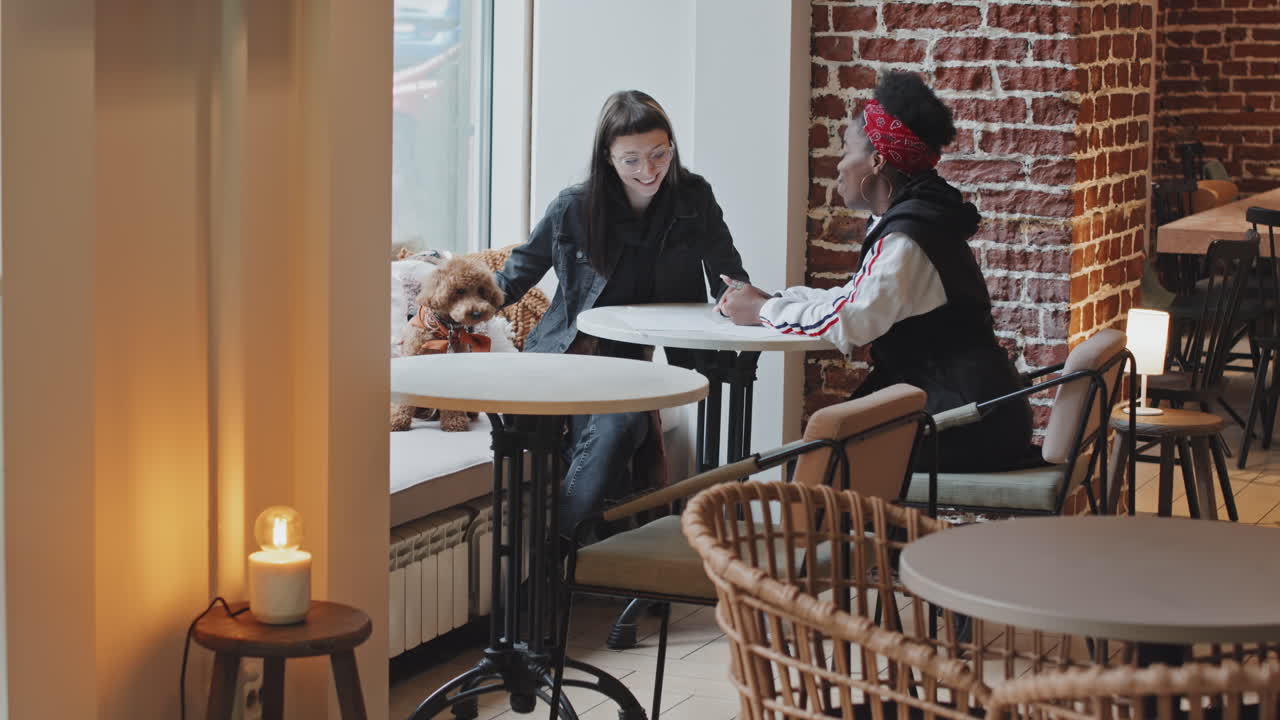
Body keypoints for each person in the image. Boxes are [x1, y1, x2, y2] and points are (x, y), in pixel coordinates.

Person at [719, 71, 1033, 473]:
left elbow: (850, 322)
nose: (837, 164)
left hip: (967, 423)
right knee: (819, 456)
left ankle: (862, 537)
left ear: (877, 161)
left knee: (820, 463)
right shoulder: (915, 220)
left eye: (846, 149)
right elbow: (853, 298)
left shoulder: (908, 238)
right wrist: (772, 301)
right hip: (963, 406)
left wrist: (762, 312)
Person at [495, 90, 750, 532]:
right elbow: (516, 275)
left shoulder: (693, 198)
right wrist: (444, 313)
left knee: (624, 422)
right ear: (608, 158)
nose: (648, 171)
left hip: (640, 362)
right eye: (631, 159)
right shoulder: (575, 207)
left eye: (658, 154)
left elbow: (729, 276)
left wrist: (748, 304)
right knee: (620, 424)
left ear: (671, 147)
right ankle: (563, 556)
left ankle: (556, 562)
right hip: (573, 357)